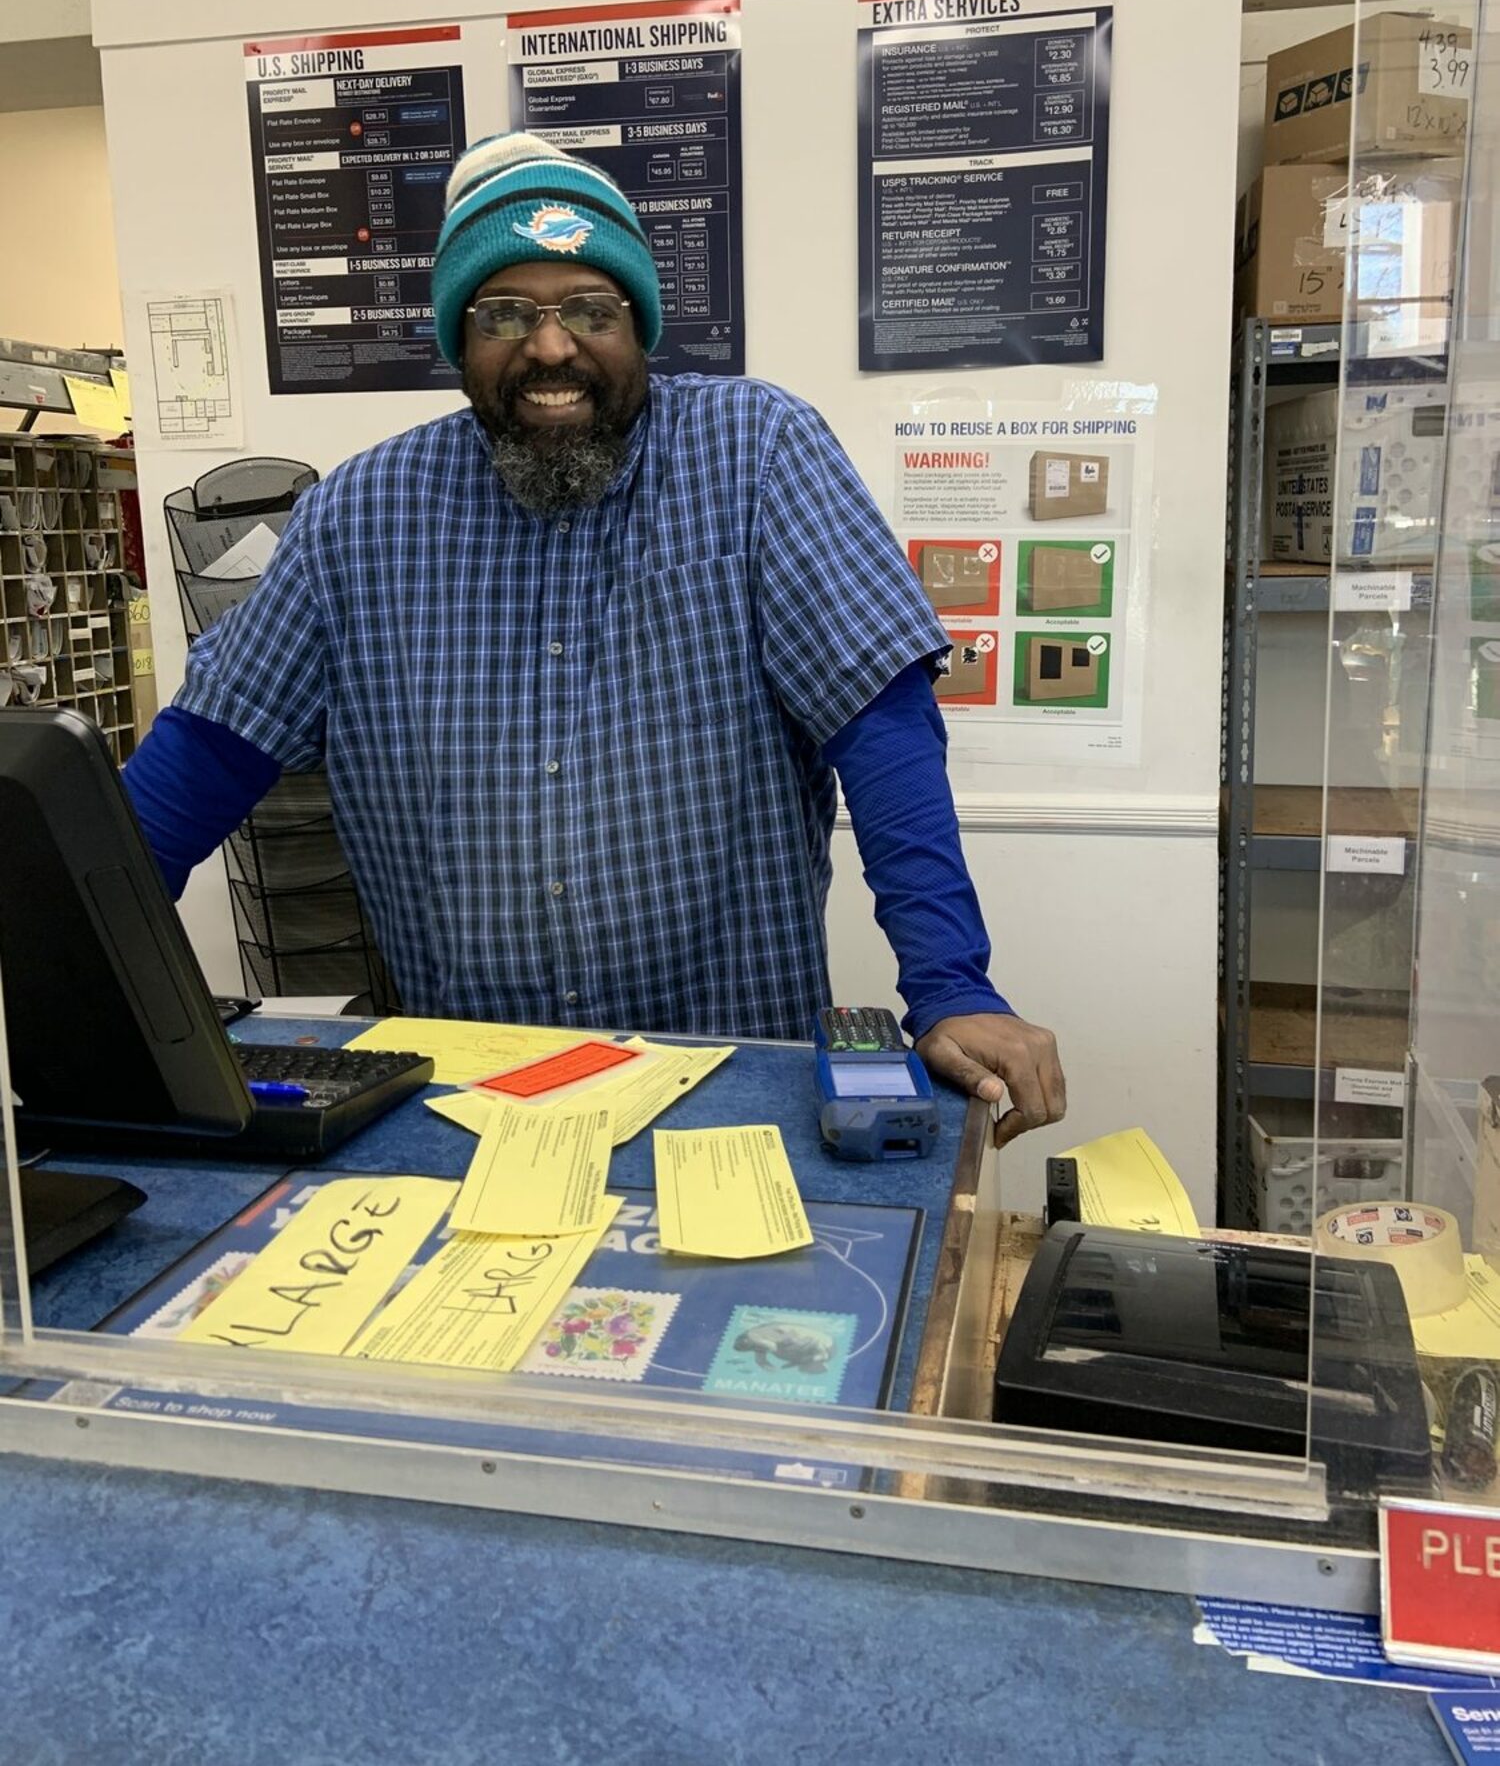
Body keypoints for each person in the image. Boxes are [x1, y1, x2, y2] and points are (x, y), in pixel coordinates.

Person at [123, 131, 1065, 1143]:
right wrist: (67, 957)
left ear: (639, 323)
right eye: (504, 314)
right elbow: (201, 760)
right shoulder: (356, 516)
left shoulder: (757, 453)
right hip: (465, 1098)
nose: (551, 346)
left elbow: (881, 723)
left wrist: (950, 980)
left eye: (589, 308)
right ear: (456, 336)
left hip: (727, 1083)